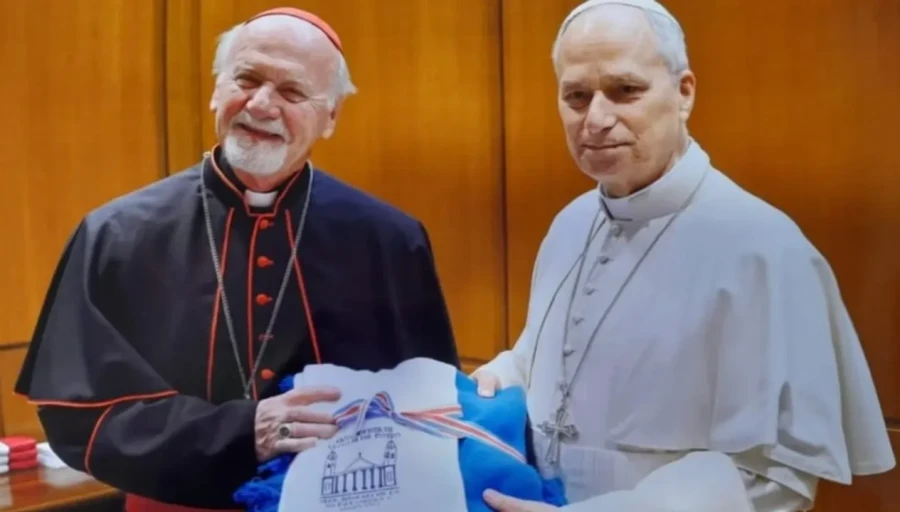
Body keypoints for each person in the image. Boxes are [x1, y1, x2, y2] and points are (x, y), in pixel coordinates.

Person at [14, 7, 458, 512]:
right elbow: (80, 419)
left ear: (330, 117)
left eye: (292, 92)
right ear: (215, 91)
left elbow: (431, 405)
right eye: (245, 79)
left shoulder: (389, 240)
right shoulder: (118, 235)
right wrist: (245, 429)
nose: (262, 105)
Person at [472, 1, 895, 511]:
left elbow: (776, 480)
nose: (597, 119)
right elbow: (548, 362)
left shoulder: (763, 248)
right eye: (576, 96)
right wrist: (501, 376)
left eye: (625, 90)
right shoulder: (570, 224)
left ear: (683, 92)